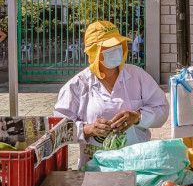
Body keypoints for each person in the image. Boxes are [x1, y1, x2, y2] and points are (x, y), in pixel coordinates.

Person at [54, 21, 169, 168]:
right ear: (95, 52)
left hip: (138, 163)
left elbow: (161, 108)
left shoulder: (138, 76)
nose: (116, 49)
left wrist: (137, 117)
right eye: (109, 47)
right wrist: (88, 129)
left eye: (118, 45)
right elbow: (59, 128)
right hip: (96, 166)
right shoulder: (77, 85)